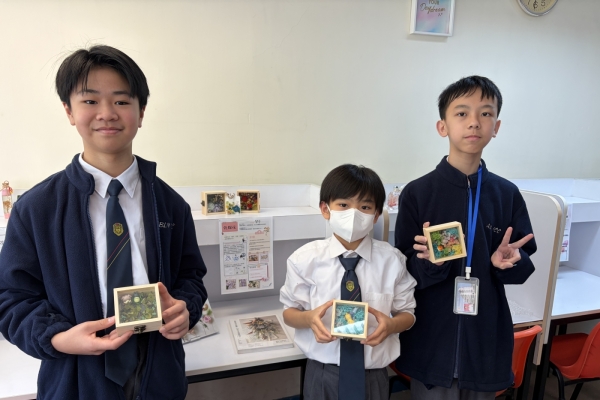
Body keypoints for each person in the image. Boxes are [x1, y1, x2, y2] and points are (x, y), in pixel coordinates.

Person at [0, 45, 207, 400]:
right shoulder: (36, 208)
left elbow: (191, 278)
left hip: (158, 376)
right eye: (91, 101)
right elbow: (11, 298)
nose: (107, 113)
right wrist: (57, 337)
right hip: (75, 380)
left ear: (141, 112)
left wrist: (185, 309)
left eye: (122, 101)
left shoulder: (171, 205)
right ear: (69, 111)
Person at [394, 75, 536, 398]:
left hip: (484, 341)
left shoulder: (506, 194)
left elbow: (523, 263)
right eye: (462, 113)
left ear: (496, 126)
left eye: (485, 113)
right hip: (431, 341)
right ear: (442, 126)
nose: (474, 122)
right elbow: (402, 272)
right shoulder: (418, 193)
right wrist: (430, 264)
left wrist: (510, 263)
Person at [280, 164, 417, 400]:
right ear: (325, 209)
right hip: (322, 373)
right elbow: (289, 312)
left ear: (376, 215)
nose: (354, 214)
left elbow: (408, 314)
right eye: (343, 205)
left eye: (365, 207)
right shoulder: (304, 259)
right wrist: (309, 318)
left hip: (373, 375)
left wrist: (391, 325)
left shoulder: (392, 261)